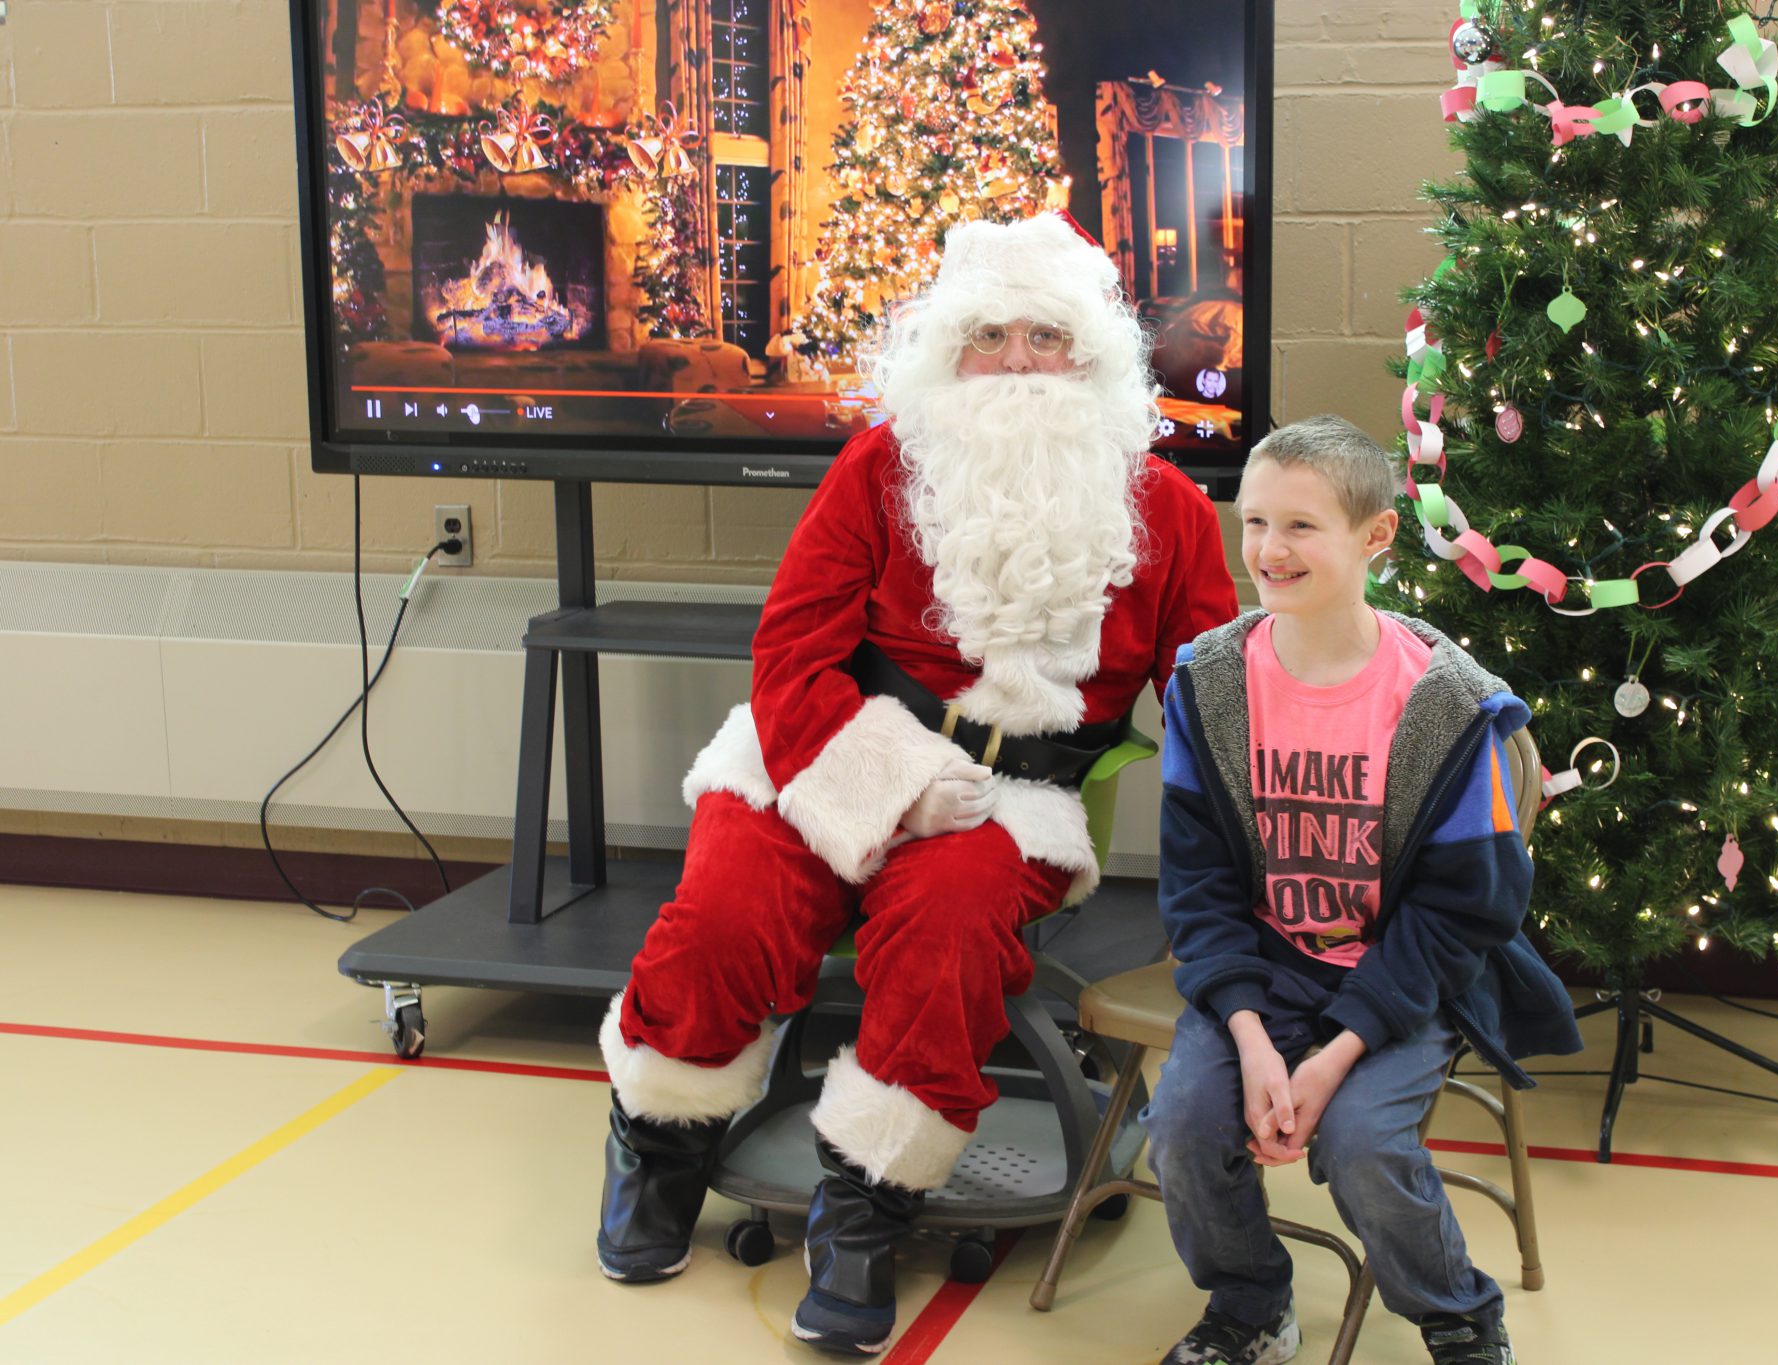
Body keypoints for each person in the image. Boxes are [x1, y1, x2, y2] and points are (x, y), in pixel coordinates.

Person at [594, 211, 1241, 1355]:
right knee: (722, 916)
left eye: (1044, 335)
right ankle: (660, 1143)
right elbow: (791, 657)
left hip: (1014, 800)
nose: (1015, 363)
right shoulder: (879, 466)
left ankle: (866, 1204)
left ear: (1088, 355)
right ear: (947, 352)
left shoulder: (1171, 512)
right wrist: (889, 786)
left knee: (944, 933)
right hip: (821, 751)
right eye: (986, 334)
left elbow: (1212, 698)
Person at [1141, 415, 1582, 1365]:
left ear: (1375, 536)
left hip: (1394, 975)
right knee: (1180, 1125)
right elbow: (1200, 882)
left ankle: (1458, 1312)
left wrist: (1334, 1055)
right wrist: (1254, 1040)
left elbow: (1467, 910)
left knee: (1366, 1146)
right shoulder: (1205, 683)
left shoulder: (1449, 704)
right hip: (1263, 971)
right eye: (1255, 522)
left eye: (1301, 526)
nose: (1267, 550)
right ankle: (1252, 1306)